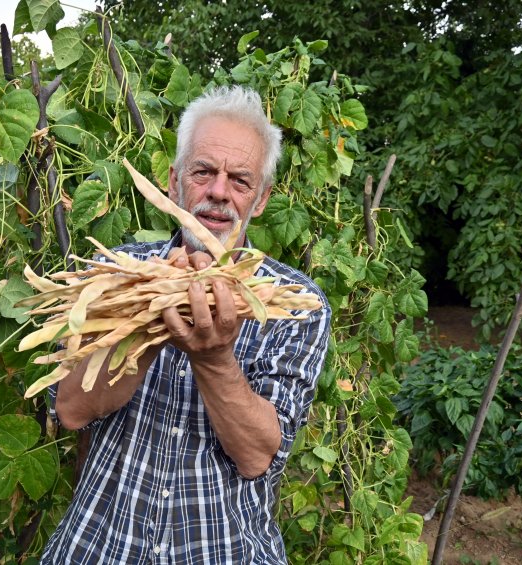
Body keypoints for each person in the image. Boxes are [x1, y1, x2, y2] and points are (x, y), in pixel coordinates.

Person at [40, 85, 331, 564]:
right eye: (203, 172)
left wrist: (214, 358)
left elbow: (258, 455)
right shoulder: (116, 274)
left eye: (240, 180)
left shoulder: (296, 305)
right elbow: (71, 410)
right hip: (98, 546)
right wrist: (149, 315)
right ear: (174, 182)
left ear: (260, 200)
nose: (218, 192)